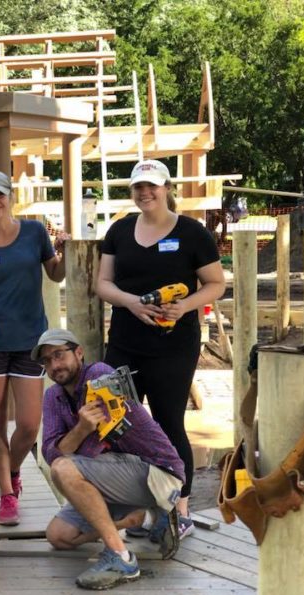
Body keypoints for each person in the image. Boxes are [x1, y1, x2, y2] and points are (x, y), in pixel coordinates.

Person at [95, 159, 225, 538]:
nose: (145, 193)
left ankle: (178, 511)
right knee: (119, 423)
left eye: (152, 186)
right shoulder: (119, 231)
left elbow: (215, 283)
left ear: (167, 187)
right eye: (138, 187)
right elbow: (103, 284)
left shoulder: (192, 233)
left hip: (174, 345)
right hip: (125, 342)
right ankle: (138, 508)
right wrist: (132, 302)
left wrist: (184, 305)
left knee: (169, 422)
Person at [35, 328, 185, 591]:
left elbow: (91, 448)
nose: (54, 365)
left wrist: (71, 444)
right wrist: (81, 429)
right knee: (59, 536)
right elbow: (50, 453)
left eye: (59, 355)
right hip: (112, 475)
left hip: (157, 472)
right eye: (46, 360)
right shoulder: (52, 396)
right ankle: (143, 520)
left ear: (79, 353)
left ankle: (121, 558)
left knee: (65, 468)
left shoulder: (101, 376)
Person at [0, 170, 67, 526]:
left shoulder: (35, 232)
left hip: (30, 341)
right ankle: (7, 494)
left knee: (28, 424)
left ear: (10, 197)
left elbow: (55, 274)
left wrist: (66, 250)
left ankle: (14, 468)